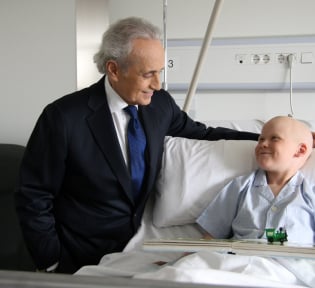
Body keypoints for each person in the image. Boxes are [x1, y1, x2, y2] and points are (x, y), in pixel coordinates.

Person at [15, 16, 272, 274]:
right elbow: (34, 195)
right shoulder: (64, 118)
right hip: (80, 257)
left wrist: (268, 140)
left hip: (140, 253)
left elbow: (203, 134)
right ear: (114, 70)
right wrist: (50, 261)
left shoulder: (159, 105)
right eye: (148, 74)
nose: (157, 84)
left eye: (159, 72)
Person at [197, 116, 315, 244]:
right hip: (238, 258)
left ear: (300, 150)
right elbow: (212, 234)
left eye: (274, 138)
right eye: (261, 139)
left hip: (286, 261)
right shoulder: (240, 186)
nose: (263, 144)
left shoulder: (309, 193)